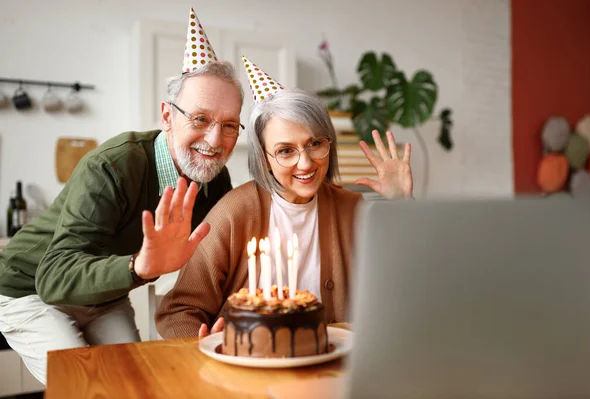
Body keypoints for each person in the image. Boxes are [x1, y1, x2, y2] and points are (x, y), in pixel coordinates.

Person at [0, 8, 244, 384]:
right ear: (167, 115)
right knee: (84, 382)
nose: (215, 140)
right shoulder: (113, 166)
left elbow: (219, 263)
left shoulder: (215, 180)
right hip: (27, 289)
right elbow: (52, 277)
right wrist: (138, 267)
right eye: (200, 119)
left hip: (104, 295)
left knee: (132, 380)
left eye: (229, 125)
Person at [155, 56, 413, 339]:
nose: (306, 164)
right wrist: (205, 350)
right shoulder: (235, 212)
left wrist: (403, 206)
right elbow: (179, 310)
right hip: (248, 370)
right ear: (264, 159)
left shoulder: (352, 210)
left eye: (315, 144)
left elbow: (408, 288)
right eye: (286, 151)